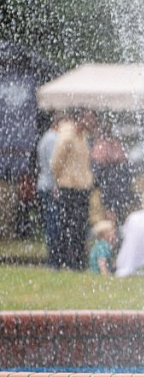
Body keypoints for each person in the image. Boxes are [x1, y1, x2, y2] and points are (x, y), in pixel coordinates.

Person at [51, 109, 95, 271]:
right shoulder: (67, 136)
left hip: (82, 187)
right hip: (69, 187)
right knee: (65, 225)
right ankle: (58, 261)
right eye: (89, 119)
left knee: (80, 226)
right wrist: (59, 180)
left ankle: (77, 262)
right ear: (81, 120)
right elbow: (56, 162)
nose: (92, 124)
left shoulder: (83, 137)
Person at [90, 115, 133, 224]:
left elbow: (96, 169)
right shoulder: (115, 145)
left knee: (110, 212)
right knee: (115, 212)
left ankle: (111, 229)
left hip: (110, 185)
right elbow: (123, 160)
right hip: (117, 185)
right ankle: (113, 228)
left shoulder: (101, 146)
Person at [36, 114, 61, 269]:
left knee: (51, 222)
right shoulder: (53, 139)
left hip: (45, 184)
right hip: (50, 186)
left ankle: (53, 259)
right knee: (53, 223)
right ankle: (54, 260)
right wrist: (56, 186)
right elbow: (53, 165)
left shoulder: (46, 137)